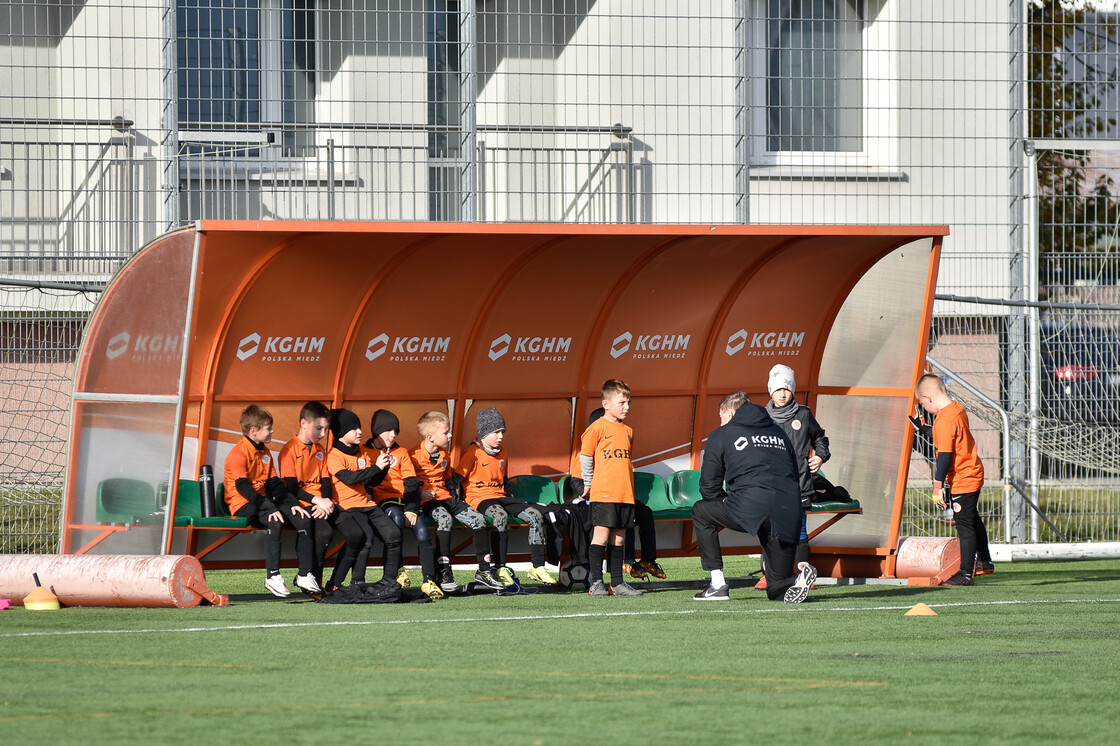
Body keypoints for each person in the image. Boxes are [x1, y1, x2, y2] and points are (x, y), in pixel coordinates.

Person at [691, 391, 817, 603]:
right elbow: (795, 474)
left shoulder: (722, 435)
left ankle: (717, 584)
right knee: (777, 588)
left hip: (751, 504)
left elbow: (709, 488)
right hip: (789, 510)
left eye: (721, 417)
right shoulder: (780, 434)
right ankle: (796, 581)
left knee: (701, 510)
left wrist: (730, 503)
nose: (720, 422)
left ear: (729, 413)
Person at [456, 406, 558, 587]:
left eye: (502, 431)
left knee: (535, 515)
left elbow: (504, 479)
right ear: (484, 433)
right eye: (496, 432)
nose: (501, 436)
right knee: (499, 516)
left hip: (501, 496)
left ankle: (537, 567)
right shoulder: (472, 453)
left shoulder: (504, 451)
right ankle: (500, 567)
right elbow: (456, 479)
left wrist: (511, 499)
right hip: (480, 498)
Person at [223, 404, 312, 598]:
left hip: (262, 502)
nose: (272, 431)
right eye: (268, 428)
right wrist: (270, 507)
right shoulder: (237, 454)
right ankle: (272, 576)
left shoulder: (265, 453)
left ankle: (305, 574)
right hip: (242, 505)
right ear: (253, 431)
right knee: (275, 519)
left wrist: (293, 504)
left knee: (302, 518)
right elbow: (244, 489)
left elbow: (275, 485)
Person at [410, 411, 504, 592]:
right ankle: (444, 569)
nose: (450, 435)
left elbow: (449, 479)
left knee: (479, 520)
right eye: (446, 432)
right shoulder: (413, 456)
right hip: (429, 503)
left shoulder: (444, 455)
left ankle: (484, 571)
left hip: (447, 499)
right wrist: (419, 495)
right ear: (430, 437)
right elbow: (404, 482)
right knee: (445, 518)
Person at [915, 373, 994, 584]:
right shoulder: (956, 409)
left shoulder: (945, 418)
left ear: (928, 398)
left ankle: (966, 574)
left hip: (963, 477)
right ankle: (985, 562)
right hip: (973, 471)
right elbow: (947, 434)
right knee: (972, 518)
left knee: (964, 525)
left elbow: (944, 456)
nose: (925, 408)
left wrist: (937, 486)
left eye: (923, 403)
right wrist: (924, 429)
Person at [756, 364, 830, 591]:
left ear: (793, 390)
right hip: (770, 487)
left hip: (799, 485)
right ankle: (770, 575)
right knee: (771, 530)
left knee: (799, 529)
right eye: (778, 390)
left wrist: (820, 456)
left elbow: (820, 438)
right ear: (770, 391)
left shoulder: (804, 414)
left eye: (786, 389)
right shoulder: (761, 416)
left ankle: (804, 574)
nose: (782, 394)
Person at [365, 408, 444, 601]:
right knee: (397, 519)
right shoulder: (365, 452)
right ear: (376, 432)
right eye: (388, 431)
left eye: (396, 431)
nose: (393, 435)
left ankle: (429, 581)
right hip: (384, 500)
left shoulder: (401, 452)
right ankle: (397, 571)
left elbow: (410, 482)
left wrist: (411, 509)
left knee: (423, 532)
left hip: (406, 501)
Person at [323, 408, 404, 592]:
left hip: (367, 504)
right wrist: (376, 467)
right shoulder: (334, 455)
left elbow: (371, 481)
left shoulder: (362, 453)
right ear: (342, 433)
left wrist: (383, 467)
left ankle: (389, 581)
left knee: (394, 534)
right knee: (366, 538)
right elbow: (350, 478)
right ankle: (354, 582)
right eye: (354, 429)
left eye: (359, 427)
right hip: (347, 506)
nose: (360, 432)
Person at [579, 379, 643, 597]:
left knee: (619, 538)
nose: (626, 407)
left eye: (628, 402)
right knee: (602, 536)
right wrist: (588, 482)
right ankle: (596, 582)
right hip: (604, 492)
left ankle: (617, 583)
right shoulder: (596, 428)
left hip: (625, 493)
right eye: (622, 402)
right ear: (606, 403)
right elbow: (586, 457)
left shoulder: (628, 431)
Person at [277, 400, 336, 594]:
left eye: (325, 429)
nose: (322, 434)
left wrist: (325, 502)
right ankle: (307, 576)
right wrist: (317, 500)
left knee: (327, 532)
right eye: (318, 428)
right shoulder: (288, 450)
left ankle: (313, 581)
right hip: (301, 504)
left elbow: (326, 481)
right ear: (303, 423)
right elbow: (291, 487)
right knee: (318, 530)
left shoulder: (320, 450)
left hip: (319, 504)